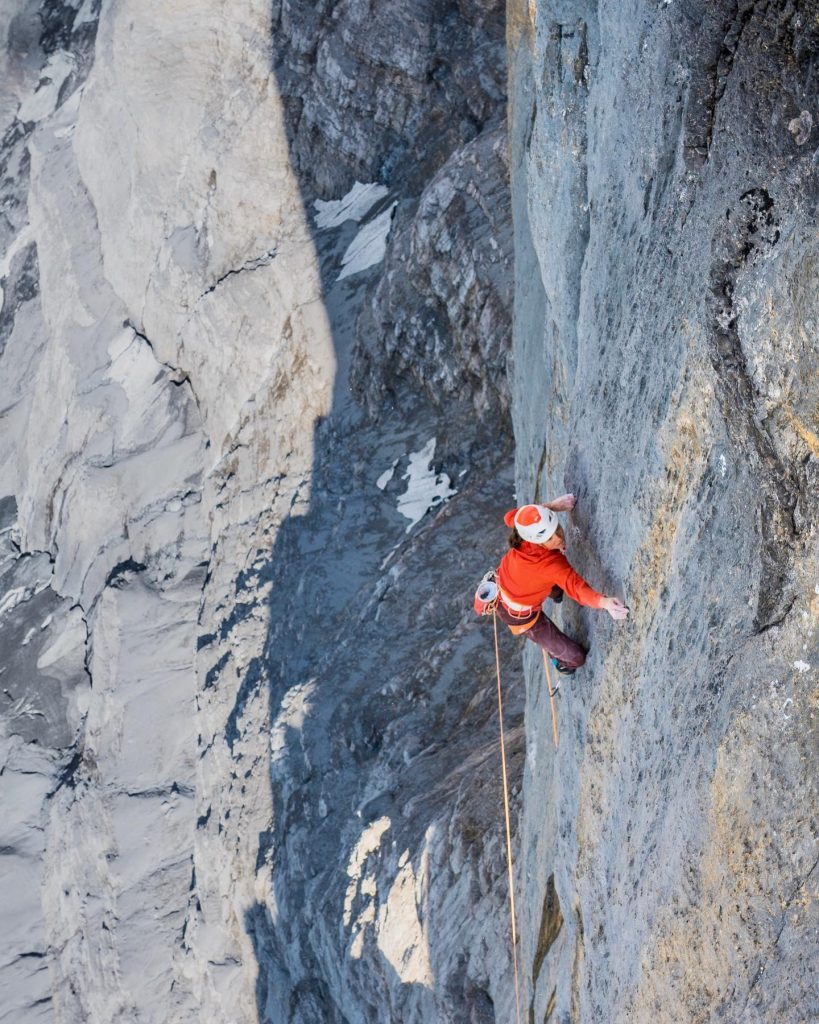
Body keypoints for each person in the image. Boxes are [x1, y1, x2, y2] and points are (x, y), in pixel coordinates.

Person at [494, 494, 628, 674]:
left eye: (556, 528)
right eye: (550, 539)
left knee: (556, 590)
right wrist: (605, 603)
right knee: (576, 658)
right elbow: (576, 588)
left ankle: (555, 594)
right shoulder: (550, 565)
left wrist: (552, 506)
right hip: (520, 616)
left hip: (508, 579)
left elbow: (511, 517)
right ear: (537, 541)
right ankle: (560, 662)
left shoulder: (524, 527)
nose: (558, 537)